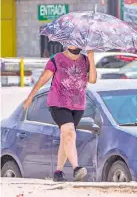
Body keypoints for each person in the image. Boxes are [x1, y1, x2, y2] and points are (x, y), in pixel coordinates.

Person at [23, 46, 97, 182]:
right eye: (72, 42)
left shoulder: (86, 60)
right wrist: (30, 97)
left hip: (78, 105)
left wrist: (91, 57)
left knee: (66, 137)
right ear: (67, 44)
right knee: (69, 132)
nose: (75, 45)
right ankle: (76, 168)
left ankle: (58, 172)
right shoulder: (56, 59)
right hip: (58, 103)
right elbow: (43, 79)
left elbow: (92, 80)